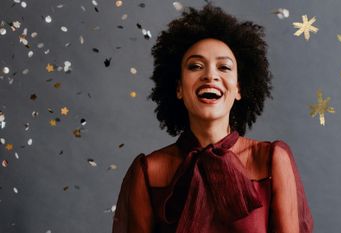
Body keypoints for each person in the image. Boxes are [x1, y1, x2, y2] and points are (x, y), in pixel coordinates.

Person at [112, 4, 313, 233]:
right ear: (178, 88)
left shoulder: (271, 160)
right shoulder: (148, 171)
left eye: (224, 67)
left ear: (239, 89)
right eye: (196, 66)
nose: (210, 75)